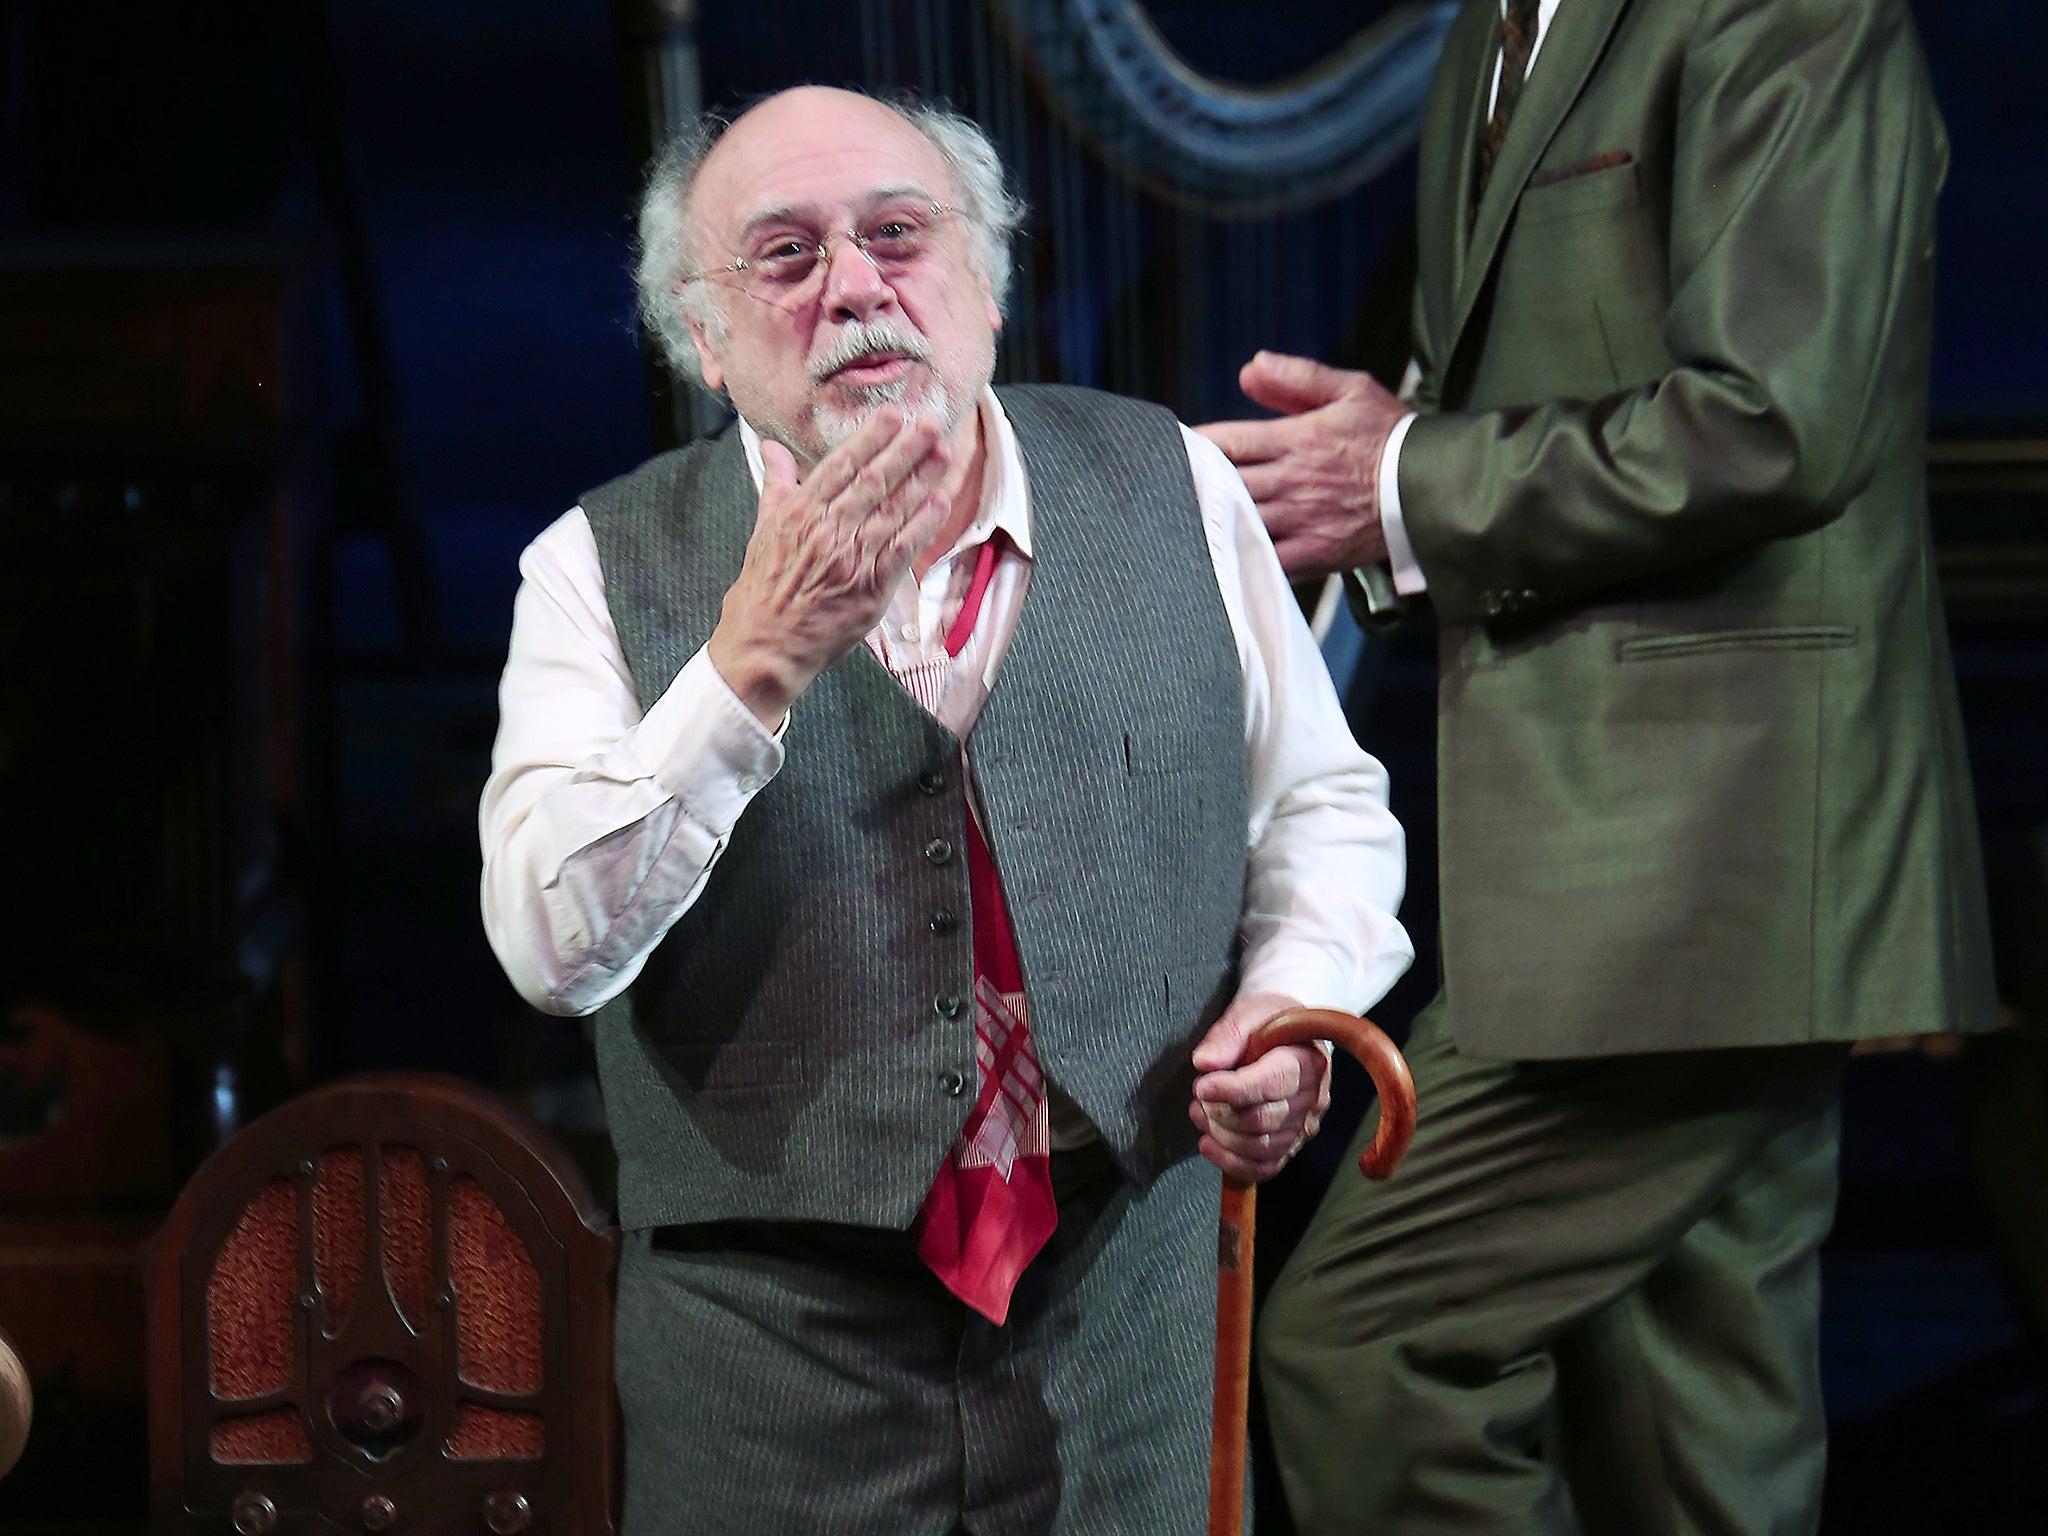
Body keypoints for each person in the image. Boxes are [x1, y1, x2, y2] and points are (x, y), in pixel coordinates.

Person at [479, 85, 1412, 1535]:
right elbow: (550, 948)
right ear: (703, 340)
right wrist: (748, 670)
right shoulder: (593, 570)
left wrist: (1291, 1007)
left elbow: (1323, 809)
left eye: (898, 236)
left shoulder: (1172, 485)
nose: (856, 286)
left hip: (1127, 1309)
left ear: (983, 285)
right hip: (771, 1354)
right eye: (785, 256)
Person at [1197, 1, 1998, 1531]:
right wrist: (1371, 483)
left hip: (1706, 875)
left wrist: (1401, 476)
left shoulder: (1795, 17)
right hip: (1598, 872)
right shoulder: (1489, 40)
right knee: (1696, 1440)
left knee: (1361, 1342)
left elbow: (1776, 423)